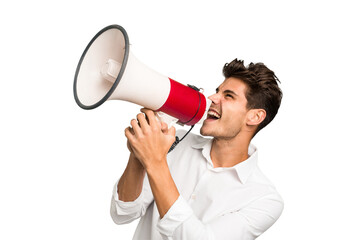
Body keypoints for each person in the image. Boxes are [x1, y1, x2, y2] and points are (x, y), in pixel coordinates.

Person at [110, 59, 284, 240]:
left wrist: (155, 161)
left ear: (255, 116)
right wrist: (138, 155)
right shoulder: (175, 141)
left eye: (229, 95)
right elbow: (122, 214)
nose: (212, 98)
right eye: (217, 91)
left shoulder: (264, 199)